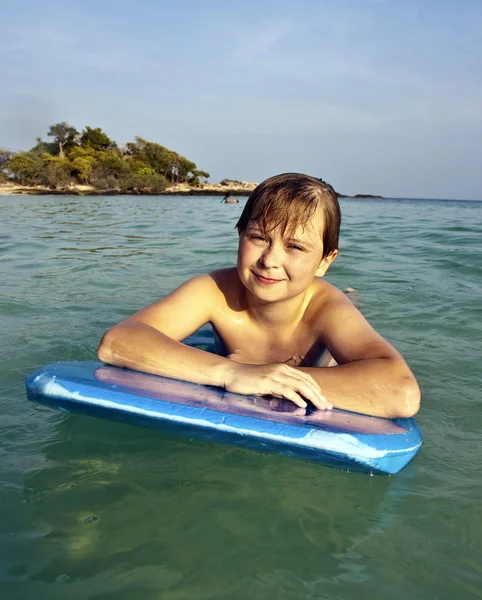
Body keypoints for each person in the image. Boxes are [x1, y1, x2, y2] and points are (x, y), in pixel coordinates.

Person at [98, 173, 420, 418]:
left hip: (323, 321)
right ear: (240, 235)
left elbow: (401, 392)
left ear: (325, 261)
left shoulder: (327, 310)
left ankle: (352, 294)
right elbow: (117, 342)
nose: (270, 260)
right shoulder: (214, 290)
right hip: (239, 368)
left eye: (294, 247)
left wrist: (279, 378)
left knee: (348, 304)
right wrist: (233, 372)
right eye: (258, 238)